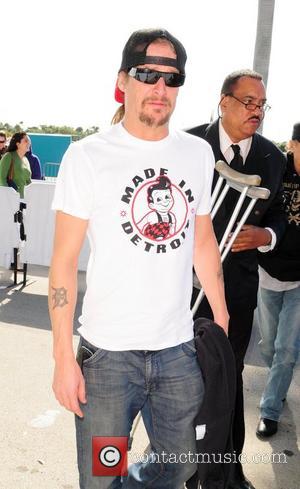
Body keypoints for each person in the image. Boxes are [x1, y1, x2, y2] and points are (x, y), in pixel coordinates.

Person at [49, 28, 229, 489]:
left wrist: (221, 315)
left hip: (177, 353)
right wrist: (63, 359)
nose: (160, 87)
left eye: (172, 78)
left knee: (181, 464)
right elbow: (64, 263)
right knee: (101, 475)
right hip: (107, 358)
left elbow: (202, 239)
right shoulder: (88, 156)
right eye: (148, 74)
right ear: (124, 80)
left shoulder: (197, 154)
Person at [187, 69, 286, 489]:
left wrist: (266, 235)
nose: (257, 112)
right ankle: (182, 468)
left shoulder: (273, 157)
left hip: (239, 293)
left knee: (228, 380)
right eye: (249, 102)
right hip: (184, 292)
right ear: (223, 101)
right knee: (184, 380)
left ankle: (226, 471)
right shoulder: (188, 146)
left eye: (262, 105)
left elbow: (281, 215)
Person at [256, 122, 300, 439]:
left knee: (286, 348)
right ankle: (278, 383)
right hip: (268, 270)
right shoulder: (275, 168)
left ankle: (269, 410)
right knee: (269, 344)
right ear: (293, 144)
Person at [0, 131, 31, 197]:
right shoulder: (8, 156)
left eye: (29, 141)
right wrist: (9, 196)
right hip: (11, 200)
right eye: (26, 141)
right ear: (18, 144)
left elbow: (28, 182)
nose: (29, 143)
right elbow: (2, 178)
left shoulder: (26, 160)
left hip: (24, 200)